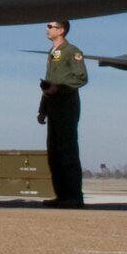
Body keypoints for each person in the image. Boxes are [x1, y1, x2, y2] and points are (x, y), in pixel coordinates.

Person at [37, 19, 89, 207]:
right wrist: (42, 110)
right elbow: (49, 82)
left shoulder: (72, 51)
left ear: (61, 30)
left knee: (68, 152)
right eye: (48, 25)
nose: (47, 29)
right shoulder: (53, 53)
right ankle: (62, 195)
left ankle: (74, 196)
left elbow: (81, 78)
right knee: (54, 153)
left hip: (66, 106)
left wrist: (59, 89)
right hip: (53, 108)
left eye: (50, 26)